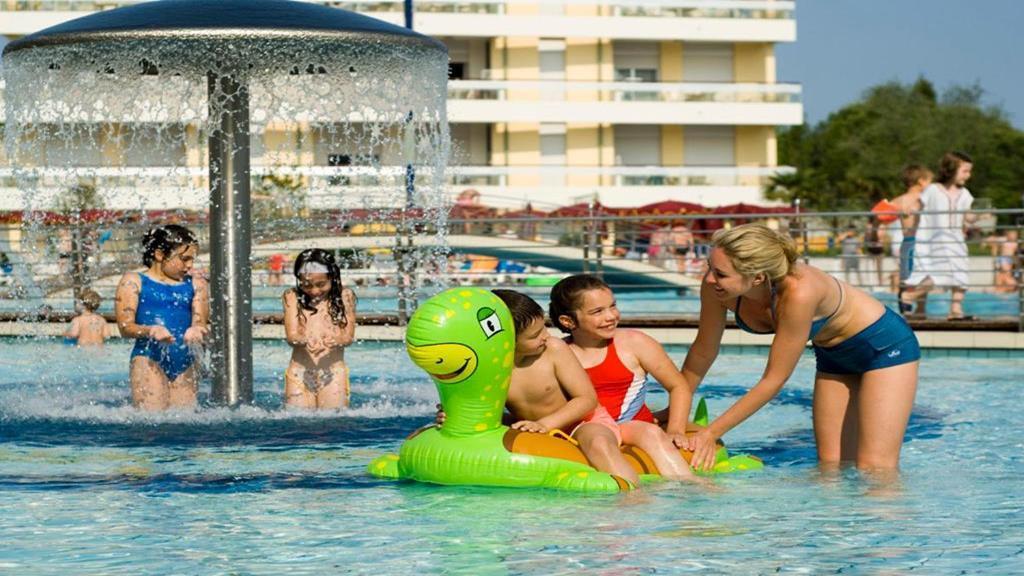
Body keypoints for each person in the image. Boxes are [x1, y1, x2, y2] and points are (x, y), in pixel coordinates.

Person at [679, 223, 919, 471]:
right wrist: (676, 407)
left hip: (883, 348)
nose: (709, 279)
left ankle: (891, 510)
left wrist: (710, 433)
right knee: (830, 467)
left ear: (758, 277)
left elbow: (773, 380)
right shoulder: (716, 289)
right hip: (833, 355)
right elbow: (704, 350)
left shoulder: (799, 292)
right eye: (710, 267)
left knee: (876, 467)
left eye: (721, 273)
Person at [439, 289, 647, 486]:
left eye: (544, 328)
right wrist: (453, 416)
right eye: (534, 335)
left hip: (582, 422)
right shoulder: (486, 369)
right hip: (531, 427)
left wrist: (546, 425)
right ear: (506, 341)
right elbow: (478, 409)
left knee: (599, 443)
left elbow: (586, 400)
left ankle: (631, 499)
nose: (546, 336)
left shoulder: (553, 349)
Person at [549, 274, 697, 480]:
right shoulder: (559, 353)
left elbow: (678, 386)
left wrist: (675, 430)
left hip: (634, 426)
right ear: (568, 320)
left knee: (652, 433)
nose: (611, 316)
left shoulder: (634, 343)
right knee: (600, 441)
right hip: (590, 430)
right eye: (597, 311)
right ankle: (630, 498)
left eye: (613, 306)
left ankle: (691, 487)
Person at [115, 225, 209, 411]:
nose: (190, 265)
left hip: (185, 361)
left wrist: (197, 329)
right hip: (148, 359)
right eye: (184, 259)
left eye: (192, 259)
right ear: (160, 255)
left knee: (184, 425)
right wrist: (151, 330)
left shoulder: (196, 284)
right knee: (151, 424)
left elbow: (200, 321)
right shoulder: (133, 281)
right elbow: (125, 327)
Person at [901, 151, 978, 320]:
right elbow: (918, 204)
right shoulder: (933, 190)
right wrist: (911, 210)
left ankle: (955, 310)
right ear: (951, 169)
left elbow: (968, 215)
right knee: (934, 276)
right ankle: (909, 297)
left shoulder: (965, 194)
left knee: (960, 274)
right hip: (933, 240)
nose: (968, 175)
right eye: (965, 171)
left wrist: (975, 217)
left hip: (955, 239)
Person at [282, 248, 356, 409]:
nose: (314, 291)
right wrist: (303, 339)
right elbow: (292, 335)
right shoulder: (292, 296)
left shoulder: (345, 296)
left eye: (321, 284)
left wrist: (336, 340)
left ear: (333, 278)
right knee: (298, 424)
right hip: (299, 373)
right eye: (307, 285)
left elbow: (348, 337)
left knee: (331, 424)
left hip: (333, 373)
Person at [890, 164, 934, 307]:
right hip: (919, 243)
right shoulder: (922, 198)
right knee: (935, 277)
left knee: (915, 279)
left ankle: (920, 311)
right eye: (929, 181)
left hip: (905, 243)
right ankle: (908, 297)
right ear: (921, 181)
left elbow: (879, 214)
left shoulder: (898, 200)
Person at [863, 216, 886, 288]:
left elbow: (881, 237)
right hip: (871, 248)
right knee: (870, 267)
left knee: (879, 268)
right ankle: (871, 284)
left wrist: (875, 230)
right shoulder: (869, 226)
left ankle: (880, 283)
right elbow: (866, 237)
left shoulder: (882, 226)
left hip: (879, 249)